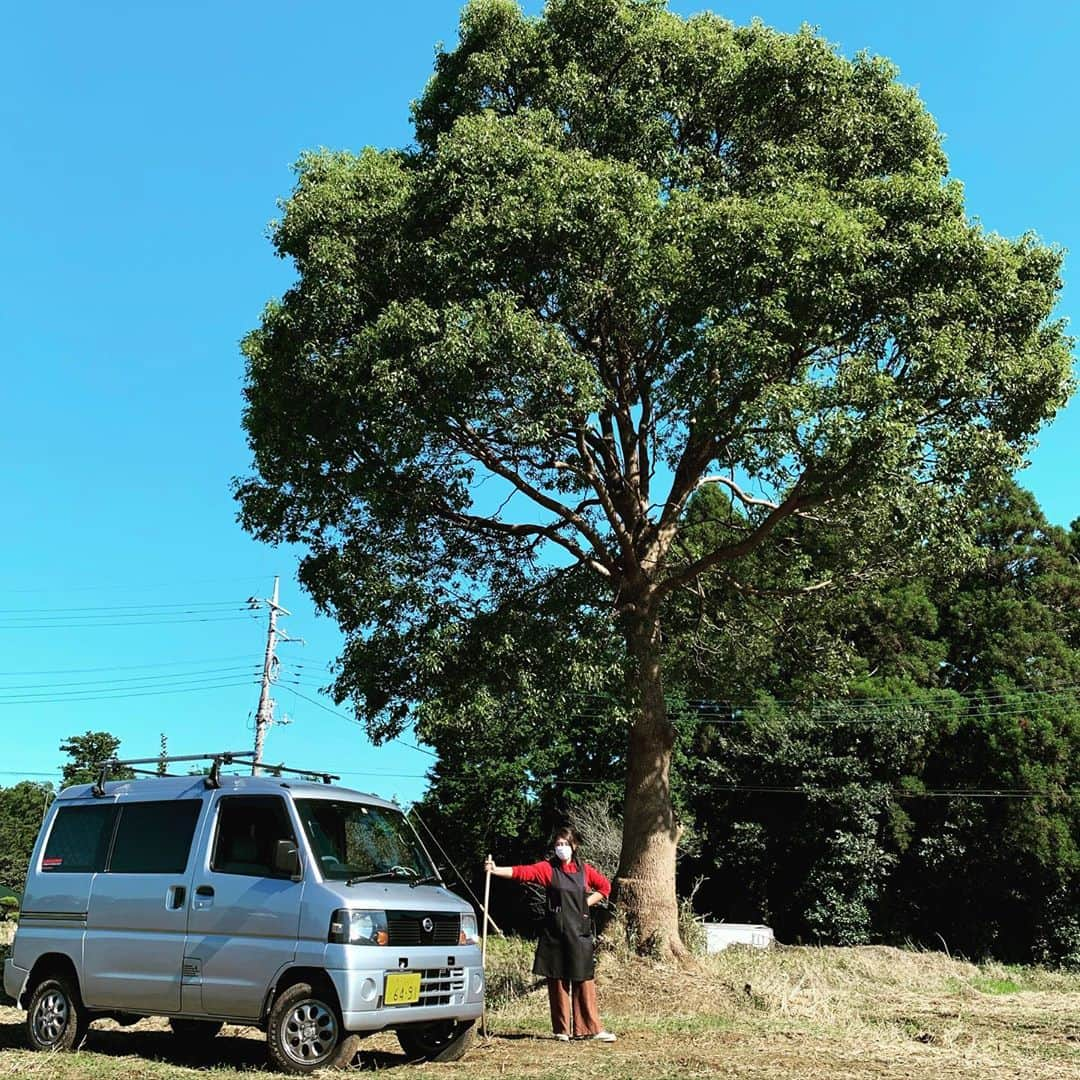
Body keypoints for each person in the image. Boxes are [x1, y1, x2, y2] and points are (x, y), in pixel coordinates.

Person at [485, 827, 617, 1042]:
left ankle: (590, 1029)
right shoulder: (548, 869)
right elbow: (522, 872)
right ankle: (561, 1030)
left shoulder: (585, 871)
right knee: (557, 980)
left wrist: (585, 904)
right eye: (558, 844)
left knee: (583, 979)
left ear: (574, 846)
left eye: (565, 844)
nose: (561, 848)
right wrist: (496, 869)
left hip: (579, 933)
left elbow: (604, 888)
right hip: (555, 933)